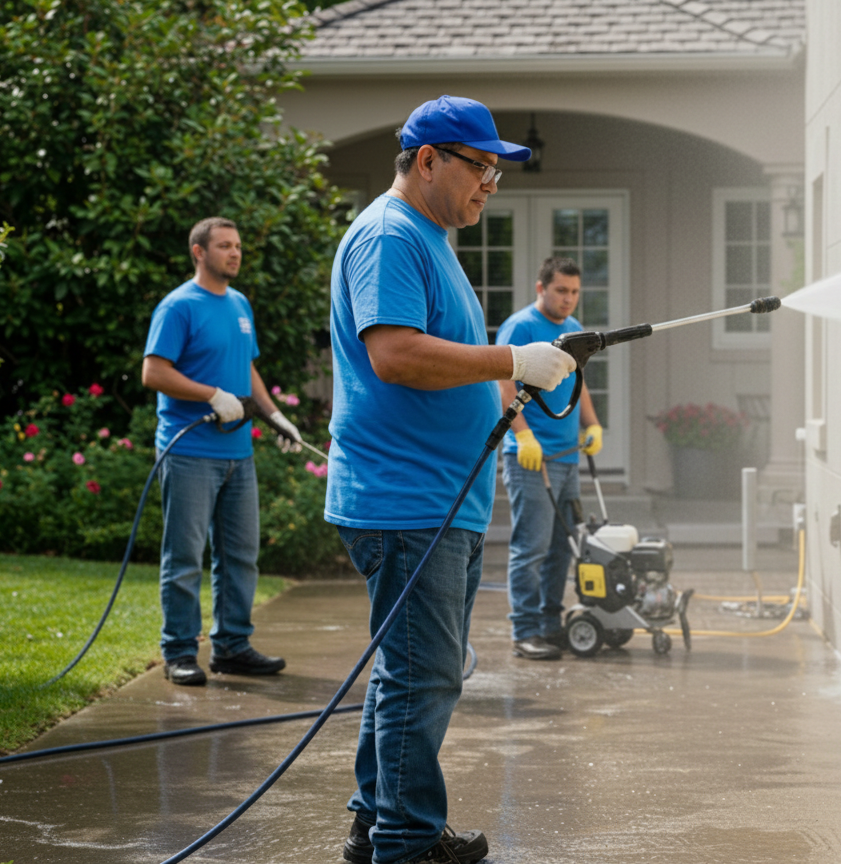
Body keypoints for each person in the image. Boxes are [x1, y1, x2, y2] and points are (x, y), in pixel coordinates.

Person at [325, 96, 576, 864]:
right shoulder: (390, 235)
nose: (491, 183)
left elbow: (443, 358)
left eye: (497, 171)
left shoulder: (428, 237)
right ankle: (405, 844)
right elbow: (395, 354)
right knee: (424, 677)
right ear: (428, 159)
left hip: (440, 500)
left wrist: (512, 382)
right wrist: (511, 360)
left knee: (411, 674)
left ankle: (380, 827)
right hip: (406, 500)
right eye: (480, 166)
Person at [142, 216, 302, 687]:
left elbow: (246, 368)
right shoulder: (178, 307)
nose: (234, 253)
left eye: (237, 246)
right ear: (199, 252)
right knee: (185, 556)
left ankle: (232, 646)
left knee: (240, 555)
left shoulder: (239, 304)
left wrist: (275, 416)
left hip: (238, 454)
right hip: (189, 449)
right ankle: (179, 651)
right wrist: (211, 394)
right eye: (224, 246)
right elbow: (154, 372)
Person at [496, 258, 603, 660]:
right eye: (561, 291)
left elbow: (579, 383)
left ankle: (549, 625)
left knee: (563, 545)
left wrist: (592, 426)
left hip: (566, 456)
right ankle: (524, 631)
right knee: (532, 547)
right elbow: (502, 380)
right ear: (541, 288)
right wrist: (522, 435)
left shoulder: (574, 330)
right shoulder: (521, 327)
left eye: (574, 292)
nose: (568, 299)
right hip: (532, 459)